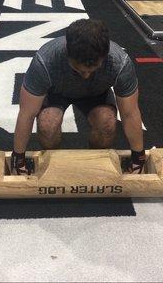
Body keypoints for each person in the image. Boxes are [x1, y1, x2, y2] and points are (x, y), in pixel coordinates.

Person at [11, 19, 145, 175]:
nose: (86, 76)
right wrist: (18, 158)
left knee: (107, 123)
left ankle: (95, 159)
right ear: (67, 52)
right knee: (47, 123)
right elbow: (26, 114)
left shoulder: (120, 63)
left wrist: (138, 157)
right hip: (57, 92)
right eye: (80, 70)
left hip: (96, 93)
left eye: (93, 69)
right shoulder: (45, 61)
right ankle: (53, 160)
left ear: (105, 56)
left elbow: (130, 114)